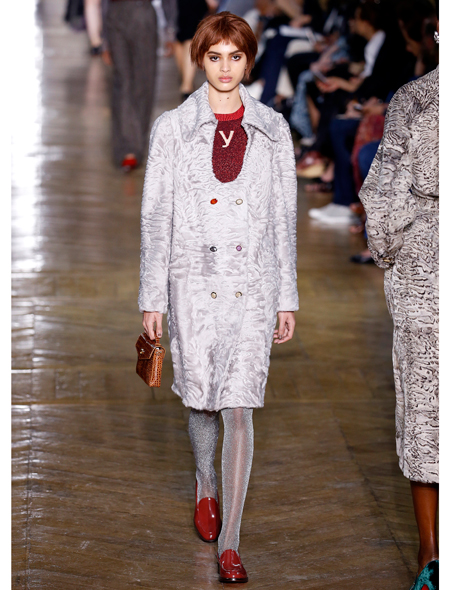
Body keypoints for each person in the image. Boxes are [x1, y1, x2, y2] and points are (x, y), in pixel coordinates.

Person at [139, 11, 298, 583]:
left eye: (236, 56)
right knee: (202, 398)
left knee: (239, 404)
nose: (225, 68)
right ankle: (205, 480)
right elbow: (156, 218)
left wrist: (287, 295)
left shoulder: (273, 129)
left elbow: (283, 219)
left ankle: (231, 542)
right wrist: (152, 296)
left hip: (253, 282)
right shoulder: (172, 129)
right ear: (199, 59)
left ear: (249, 61)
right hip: (192, 280)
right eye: (214, 56)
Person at [358, 13, 439, 590]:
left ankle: (430, 557)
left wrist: (389, 251)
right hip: (426, 264)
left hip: (426, 267)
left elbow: (384, 197)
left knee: (426, 413)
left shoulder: (416, 100)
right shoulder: (413, 99)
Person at [103, 0, 175, 171]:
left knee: (141, 82)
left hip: (140, 13)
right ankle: (128, 148)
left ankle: (133, 146)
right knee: (124, 81)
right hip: (118, 14)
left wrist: (170, 28)